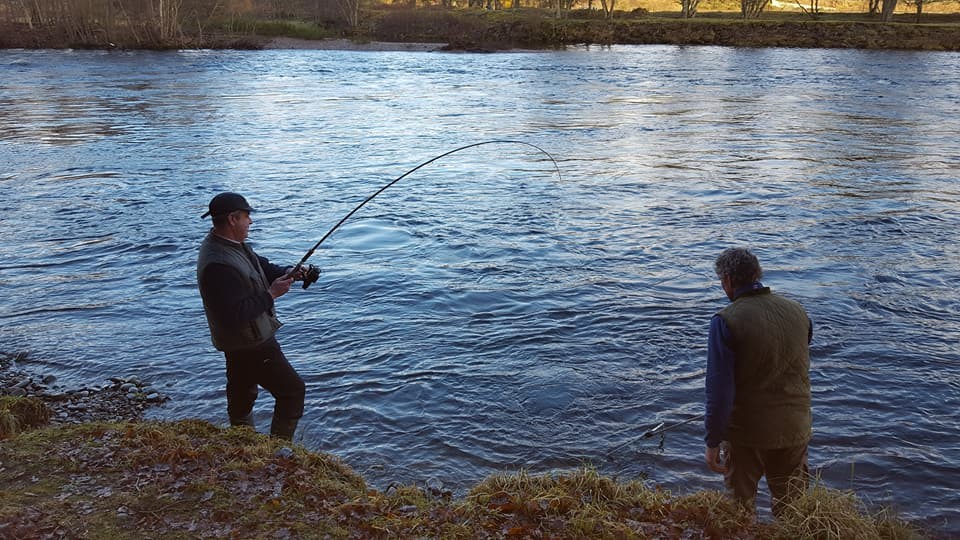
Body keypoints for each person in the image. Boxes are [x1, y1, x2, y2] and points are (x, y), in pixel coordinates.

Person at [704, 247, 813, 516]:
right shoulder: (798, 311)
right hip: (795, 427)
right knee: (793, 508)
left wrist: (712, 441)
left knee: (738, 511)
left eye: (721, 281)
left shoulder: (725, 321)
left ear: (727, 280)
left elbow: (719, 391)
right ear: (756, 274)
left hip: (747, 434)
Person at [196, 192, 312, 441]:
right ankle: (278, 452)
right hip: (250, 341)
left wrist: (290, 273)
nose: (251, 222)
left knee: (242, 391)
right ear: (232, 219)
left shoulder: (232, 246)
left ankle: (241, 441)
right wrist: (271, 295)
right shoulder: (219, 264)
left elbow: (262, 267)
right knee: (292, 391)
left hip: (240, 341)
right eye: (247, 216)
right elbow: (232, 315)